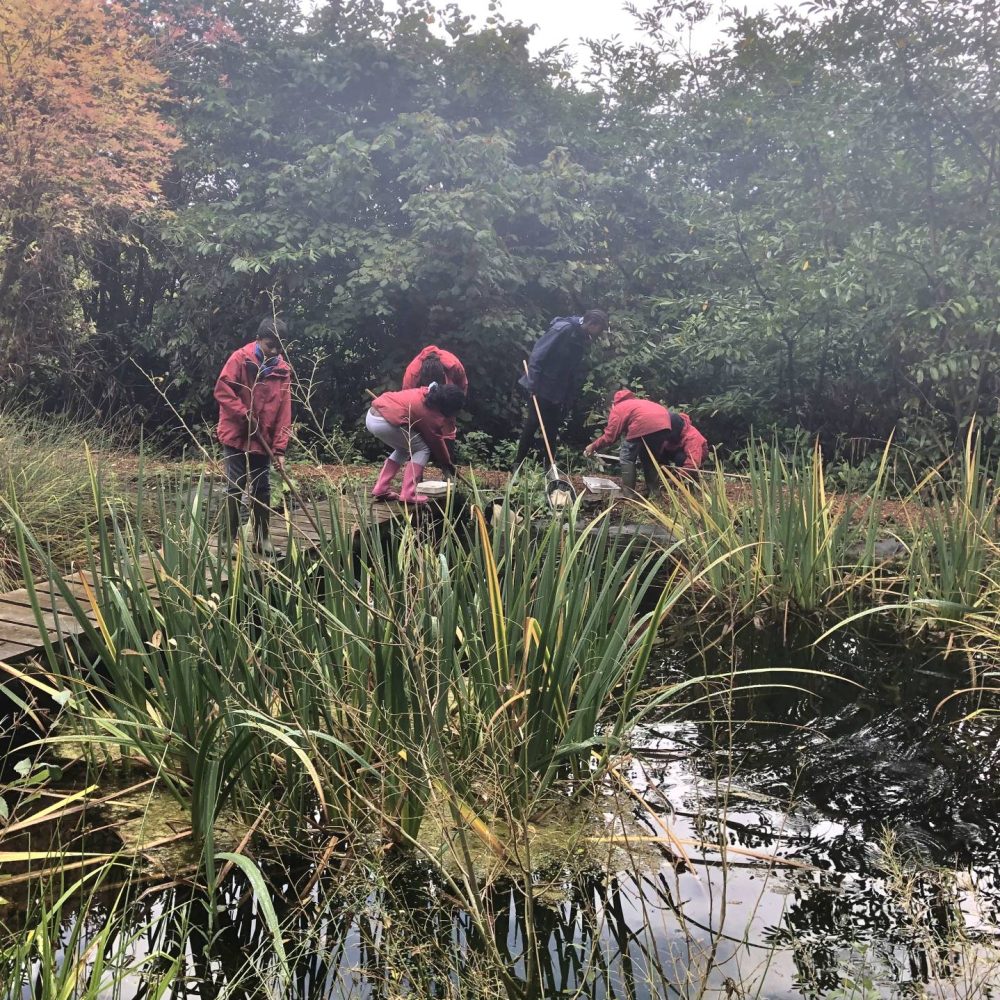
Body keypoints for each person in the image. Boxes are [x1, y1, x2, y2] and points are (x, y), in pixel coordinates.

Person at [214, 317, 292, 556]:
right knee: (235, 485)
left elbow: (284, 411)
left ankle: (262, 539)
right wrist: (243, 414)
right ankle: (226, 542)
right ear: (258, 340)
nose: (274, 351)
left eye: (279, 347)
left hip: (262, 437)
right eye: (270, 345)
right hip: (237, 433)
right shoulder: (240, 359)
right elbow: (223, 390)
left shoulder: (282, 371)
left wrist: (279, 449)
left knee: (262, 487)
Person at [513, 309, 609, 468]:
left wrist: (568, 396)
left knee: (552, 428)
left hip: (559, 391)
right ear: (592, 324)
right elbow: (538, 355)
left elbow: (572, 370)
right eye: (599, 329)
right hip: (541, 385)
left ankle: (548, 468)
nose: (599, 333)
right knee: (533, 423)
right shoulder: (563, 329)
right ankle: (517, 464)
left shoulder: (583, 336)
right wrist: (533, 384)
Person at [366, 383, 465, 504]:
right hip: (385, 422)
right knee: (423, 450)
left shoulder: (426, 392)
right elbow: (436, 442)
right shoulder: (431, 415)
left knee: (403, 449)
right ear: (449, 407)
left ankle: (381, 489)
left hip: (372, 417)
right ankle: (408, 493)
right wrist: (447, 463)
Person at [583, 389, 674, 498]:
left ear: (612, 404)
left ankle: (628, 493)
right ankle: (654, 493)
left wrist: (593, 446)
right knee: (649, 459)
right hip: (664, 424)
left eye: (608, 410)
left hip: (643, 424)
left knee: (626, 457)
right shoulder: (638, 402)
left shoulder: (618, 408)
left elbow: (610, 436)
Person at [658, 411, 709, 477]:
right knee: (659, 453)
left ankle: (683, 477)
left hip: (695, 457)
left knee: (680, 458)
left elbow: (693, 462)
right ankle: (665, 476)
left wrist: (677, 478)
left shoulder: (692, 436)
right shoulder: (670, 430)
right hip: (675, 449)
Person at [401, 345, 468, 394]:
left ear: (443, 373)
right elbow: (407, 402)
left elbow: (463, 386)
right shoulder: (411, 377)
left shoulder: (455, 366)